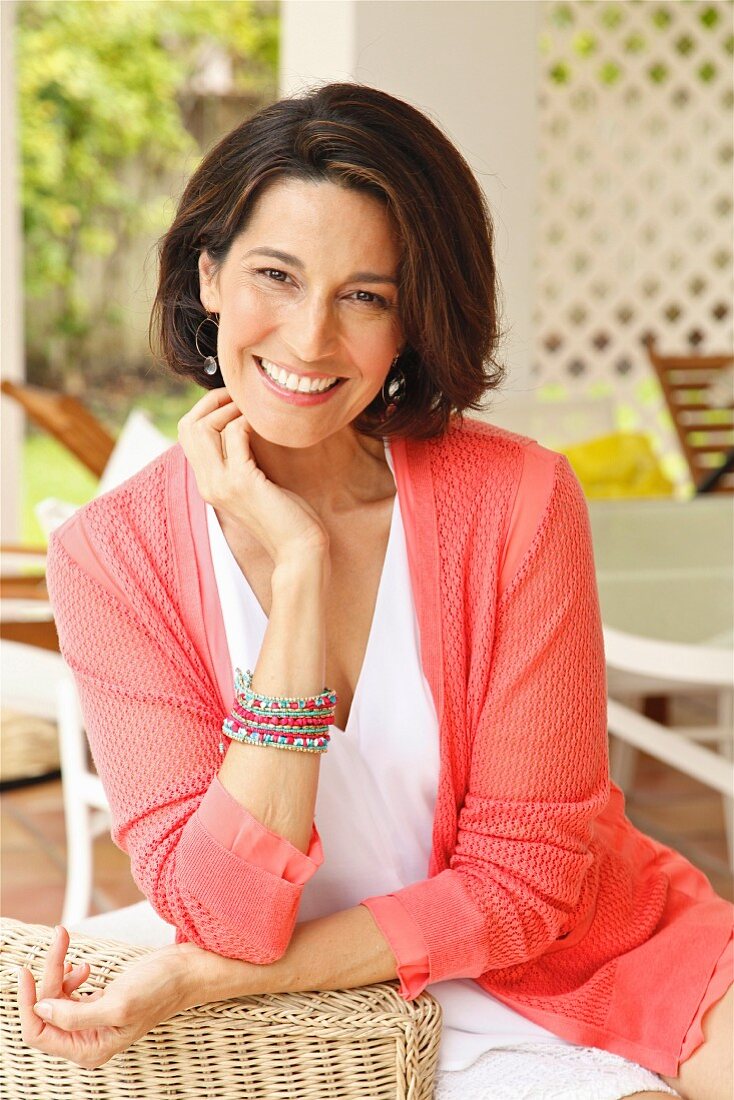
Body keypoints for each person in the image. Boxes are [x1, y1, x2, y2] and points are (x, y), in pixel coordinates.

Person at [17, 83, 732, 1100]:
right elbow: (223, 911)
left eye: (365, 294)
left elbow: (525, 884)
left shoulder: (518, 500)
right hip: (328, 1013)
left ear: (411, 318)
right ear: (209, 274)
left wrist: (202, 974)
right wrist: (298, 577)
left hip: (595, 949)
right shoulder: (111, 554)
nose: (310, 339)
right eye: (275, 274)